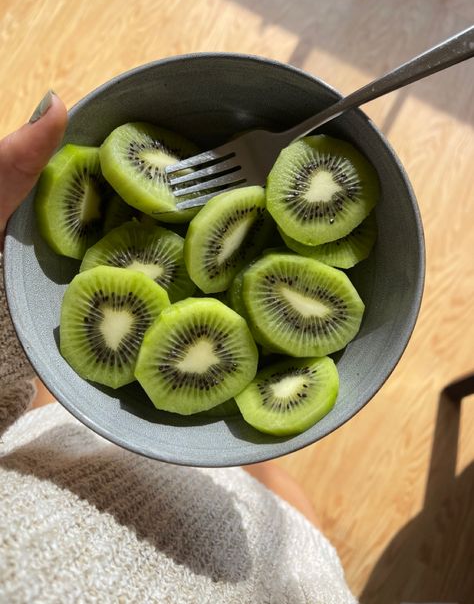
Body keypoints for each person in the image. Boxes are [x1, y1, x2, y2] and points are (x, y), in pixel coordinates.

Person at [0, 91, 356, 603]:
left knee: (270, 486)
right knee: (291, 523)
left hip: (53, 461)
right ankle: (258, 475)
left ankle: (252, 471)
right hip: (290, 582)